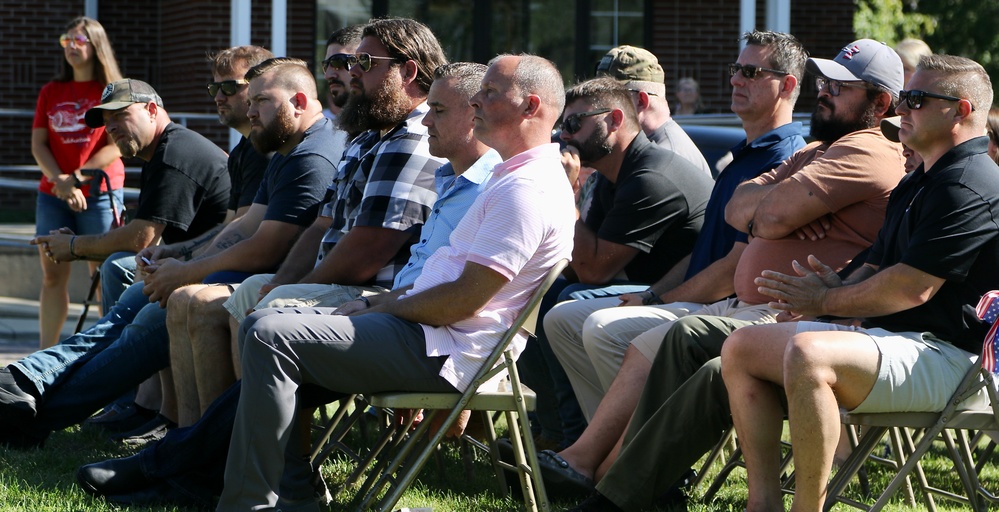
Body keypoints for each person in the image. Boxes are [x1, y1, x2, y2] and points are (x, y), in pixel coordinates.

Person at [74, 60, 501, 509]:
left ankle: (206, 474)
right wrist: (279, 283)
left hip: (431, 339)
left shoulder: (503, 183)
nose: (426, 118)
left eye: (438, 109)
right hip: (406, 318)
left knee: (267, 328)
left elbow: (446, 289)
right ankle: (215, 469)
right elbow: (319, 229)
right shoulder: (452, 177)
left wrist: (375, 306)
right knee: (246, 317)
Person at [213, 52, 574, 510]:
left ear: (531, 107)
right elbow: (447, 284)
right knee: (266, 322)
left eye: (490, 92)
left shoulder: (525, 189)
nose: (477, 102)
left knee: (268, 333)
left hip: (444, 351)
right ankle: (285, 492)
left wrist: (381, 306)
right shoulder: (514, 178)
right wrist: (375, 306)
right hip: (429, 335)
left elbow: (462, 300)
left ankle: (252, 502)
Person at [560, 37, 908, 512]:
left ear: (880, 101)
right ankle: (608, 471)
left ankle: (618, 485)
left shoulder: (867, 151)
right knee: (625, 332)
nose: (822, 91)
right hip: (760, 310)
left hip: (801, 316)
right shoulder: (818, 150)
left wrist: (781, 210)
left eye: (840, 87)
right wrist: (782, 208)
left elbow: (767, 218)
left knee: (681, 341)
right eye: (823, 82)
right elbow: (739, 208)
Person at [723, 53, 998, 512]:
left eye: (915, 99)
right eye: (903, 97)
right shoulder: (924, 178)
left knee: (809, 354)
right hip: (900, 340)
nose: (901, 109)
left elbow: (912, 287)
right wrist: (825, 300)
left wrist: (829, 298)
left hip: (956, 357)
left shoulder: (969, 183)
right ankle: (763, 504)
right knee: (742, 347)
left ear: (960, 110)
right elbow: (878, 264)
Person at [163, 18, 448, 427]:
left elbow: (369, 250)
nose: (352, 72)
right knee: (236, 298)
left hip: (378, 295)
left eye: (364, 62)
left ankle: (268, 459)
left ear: (408, 72)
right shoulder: (367, 137)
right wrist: (283, 281)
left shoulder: (413, 139)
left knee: (264, 312)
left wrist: (296, 286)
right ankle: (200, 439)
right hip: (339, 283)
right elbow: (321, 226)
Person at [541, 28, 808, 459]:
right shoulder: (744, 154)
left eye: (752, 72)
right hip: (702, 301)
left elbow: (730, 271)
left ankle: (645, 461)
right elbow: (701, 256)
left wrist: (655, 299)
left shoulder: (786, 160)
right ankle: (596, 449)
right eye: (736, 69)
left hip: (739, 310)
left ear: (788, 85)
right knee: (563, 318)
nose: (736, 80)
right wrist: (653, 295)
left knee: (597, 323)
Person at [0, 78, 250, 449]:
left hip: (217, 280)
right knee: (122, 279)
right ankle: (52, 387)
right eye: (107, 121)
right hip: (194, 270)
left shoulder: (174, 153)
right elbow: (147, 239)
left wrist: (74, 245)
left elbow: (140, 238)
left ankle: (30, 396)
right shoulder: (160, 152)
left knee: (131, 309)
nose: (112, 127)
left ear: (152, 109)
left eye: (120, 115)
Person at [131, 57, 337, 434]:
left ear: (300, 102)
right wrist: (180, 258)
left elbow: (265, 247)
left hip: (305, 283)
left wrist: (187, 270)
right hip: (274, 275)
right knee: (175, 294)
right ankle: (185, 438)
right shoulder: (283, 149)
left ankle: (211, 446)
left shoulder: (312, 155)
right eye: (251, 100)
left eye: (261, 101)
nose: (250, 109)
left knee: (193, 299)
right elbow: (243, 225)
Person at [83, 46, 275, 435]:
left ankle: (149, 411)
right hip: (224, 267)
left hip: (257, 276)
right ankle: (154, 411)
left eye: (230, 87)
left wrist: (185, 265)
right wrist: (176, 257)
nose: (219, 97)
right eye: (214, 89)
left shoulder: (182, 152)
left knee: (141, 282)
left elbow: (142, 235)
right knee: (145, 275)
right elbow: (230, 226)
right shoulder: (242, 151)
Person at [31, 16, 124, 348]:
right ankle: (43, 355)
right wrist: (61, 182)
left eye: (78, 40)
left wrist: (78, 178)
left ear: (95, 46)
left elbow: (116, 145)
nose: (70, 46)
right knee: (52, 276)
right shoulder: (51, 91)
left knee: (103, 277)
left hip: (98, 193)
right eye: (66, 40)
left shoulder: (110, 91)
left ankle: (107, 354)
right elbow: (38, 144)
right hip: (53, 194)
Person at [595, 45, 711, 177]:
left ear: (641, 101)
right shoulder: (647, 151)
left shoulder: (665, 158)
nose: (599, 105)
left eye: (611, 96)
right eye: (598, 97)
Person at [319, 25, 363, 161]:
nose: (328, 75)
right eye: (326, 65)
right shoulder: (329, 136)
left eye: (338, 62)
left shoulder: (387, 132)